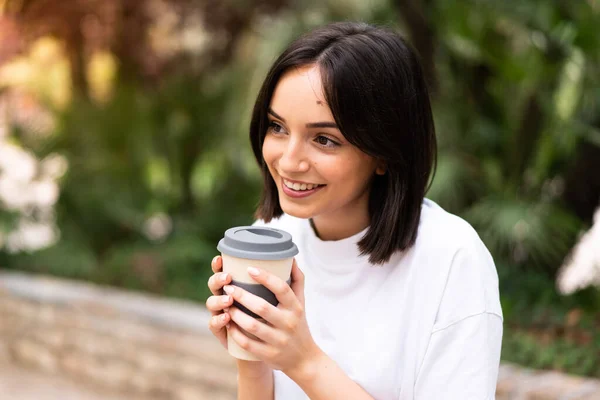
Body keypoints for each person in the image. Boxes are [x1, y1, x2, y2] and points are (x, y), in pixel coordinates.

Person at [205, 21, 503, 400]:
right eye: (278, 127)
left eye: (324, 139)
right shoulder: (276, 233)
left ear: (382, 151)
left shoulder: (451, 259)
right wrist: (252, 353)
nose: (289, 160)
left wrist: (304, 362)